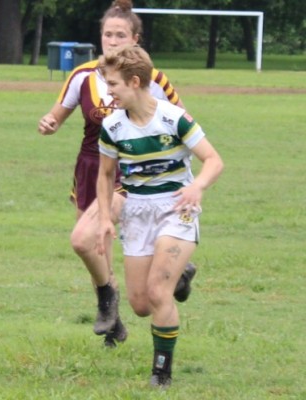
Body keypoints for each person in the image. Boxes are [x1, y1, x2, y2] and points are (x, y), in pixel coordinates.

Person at [37, 0, 196, 347]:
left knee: (88, 238)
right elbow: (56, 116)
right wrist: (48, 124)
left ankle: (119, 296)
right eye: (107, 34)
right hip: (91, 167)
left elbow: (181, 126)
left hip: (131, 172)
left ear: (135, 39)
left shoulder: (151, 79)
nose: (112, 41)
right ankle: (115, 319)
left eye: (120, 35)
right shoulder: (82, 76)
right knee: (95, 249)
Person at [95, 45, 223, 388]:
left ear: (135, 82)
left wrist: (197, 188)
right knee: (139, 304)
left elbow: (214, 160)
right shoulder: (112, 126)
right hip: (137, 211)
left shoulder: (173, 118)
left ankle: (161, 373)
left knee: (157, 291)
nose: (108, 91)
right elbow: (106, 176)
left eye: (113, 85)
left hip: (176, 207)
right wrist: (106, 217)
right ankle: (182, 276)